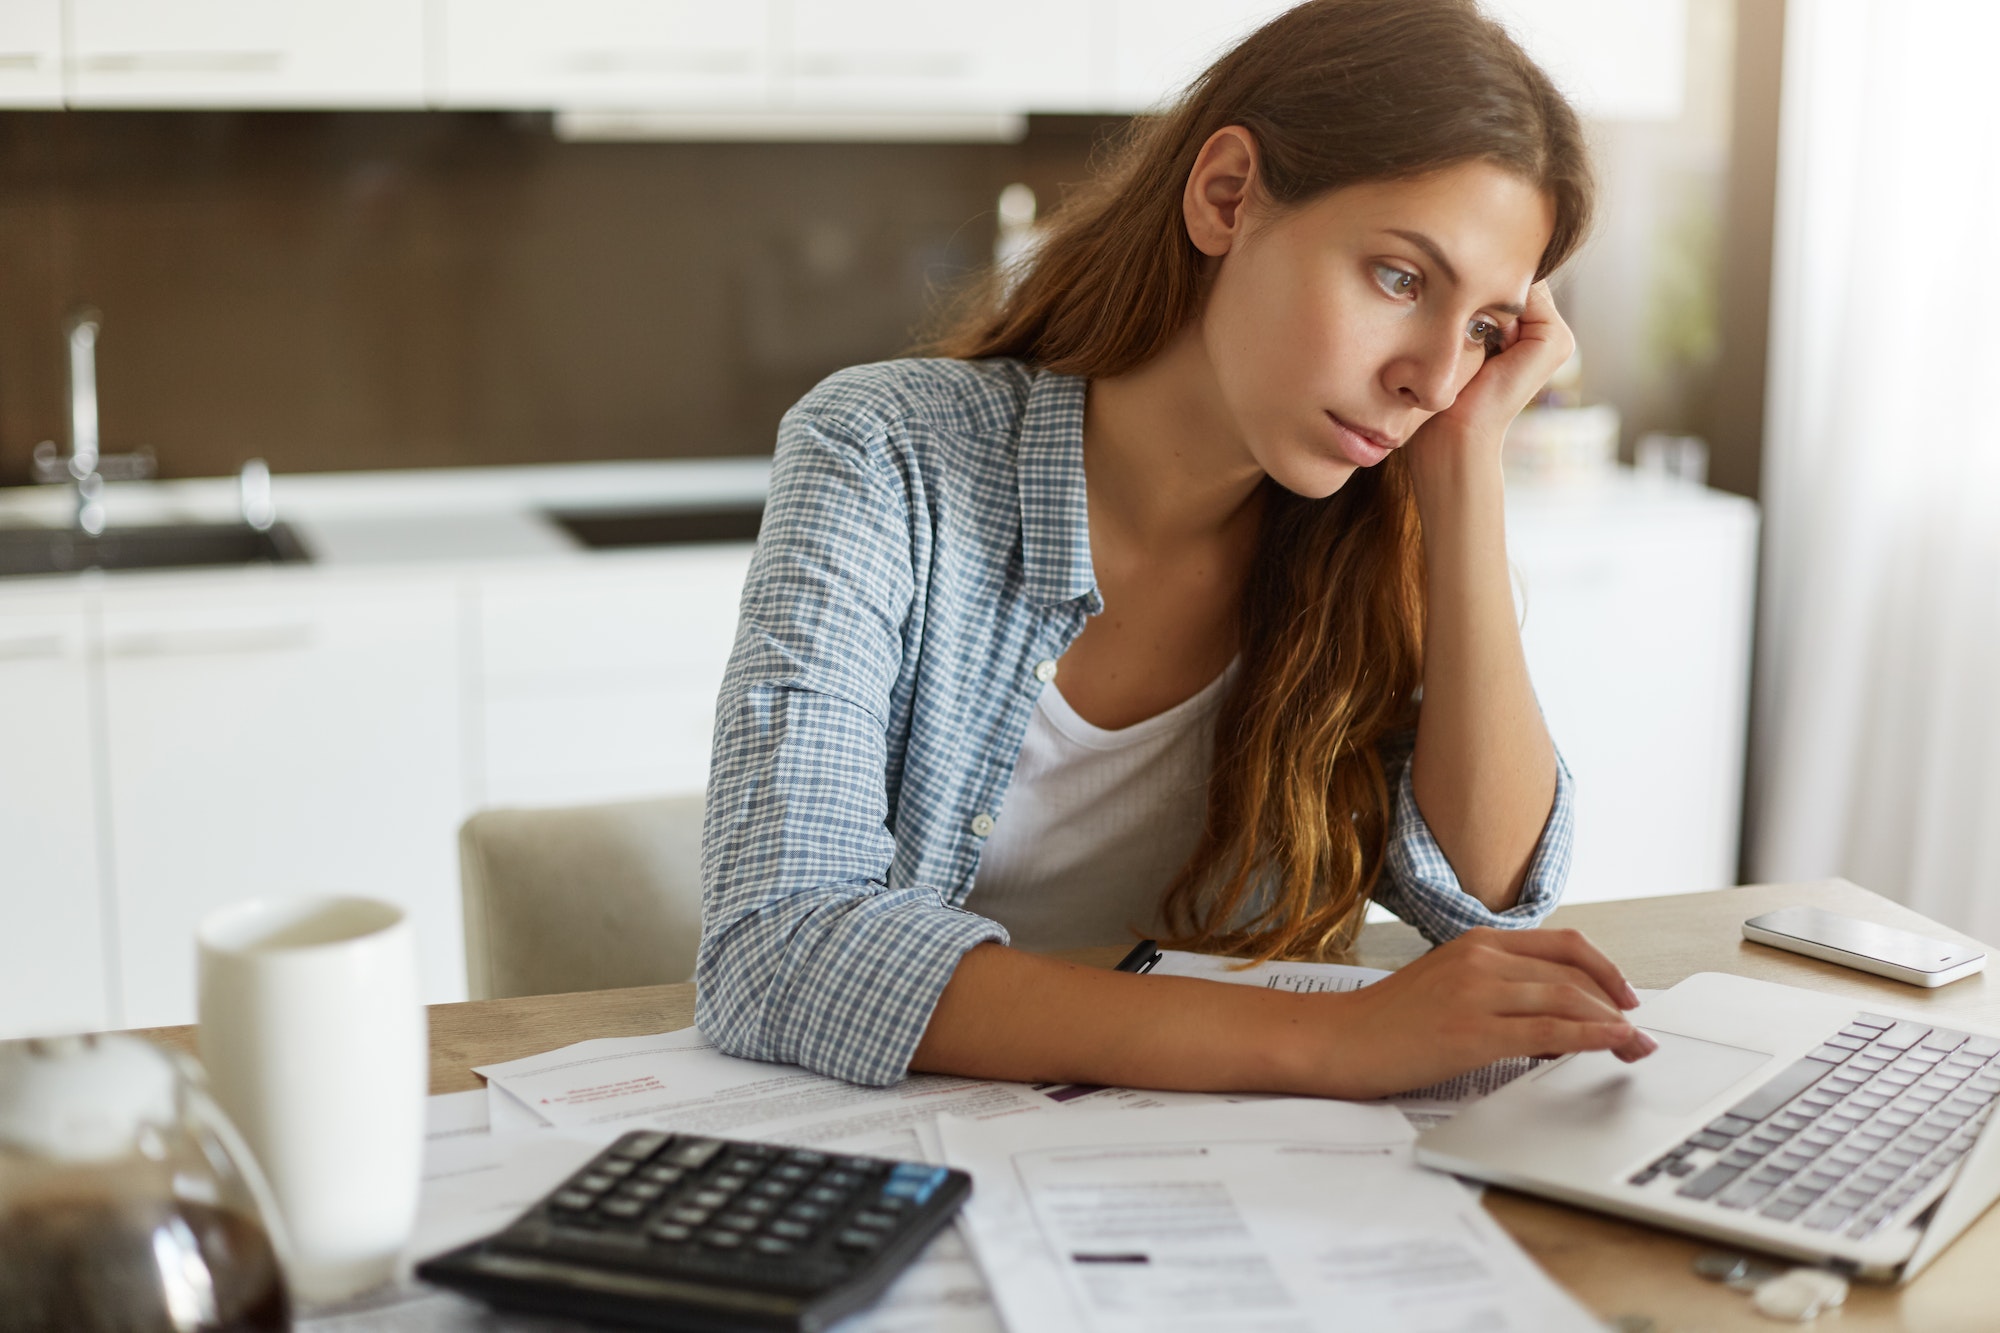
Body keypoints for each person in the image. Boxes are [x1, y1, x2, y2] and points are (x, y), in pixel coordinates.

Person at [696, 0, 1658, 1097]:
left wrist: (1464, 471)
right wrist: (1332, 1042)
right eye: (1399, 279)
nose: (1433, 379)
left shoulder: (1364, 528)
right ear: (1226, 197)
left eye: (1483, 328)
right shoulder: (886, 453)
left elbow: (1487, 901)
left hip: (1229, 1187)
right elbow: (774, 949)